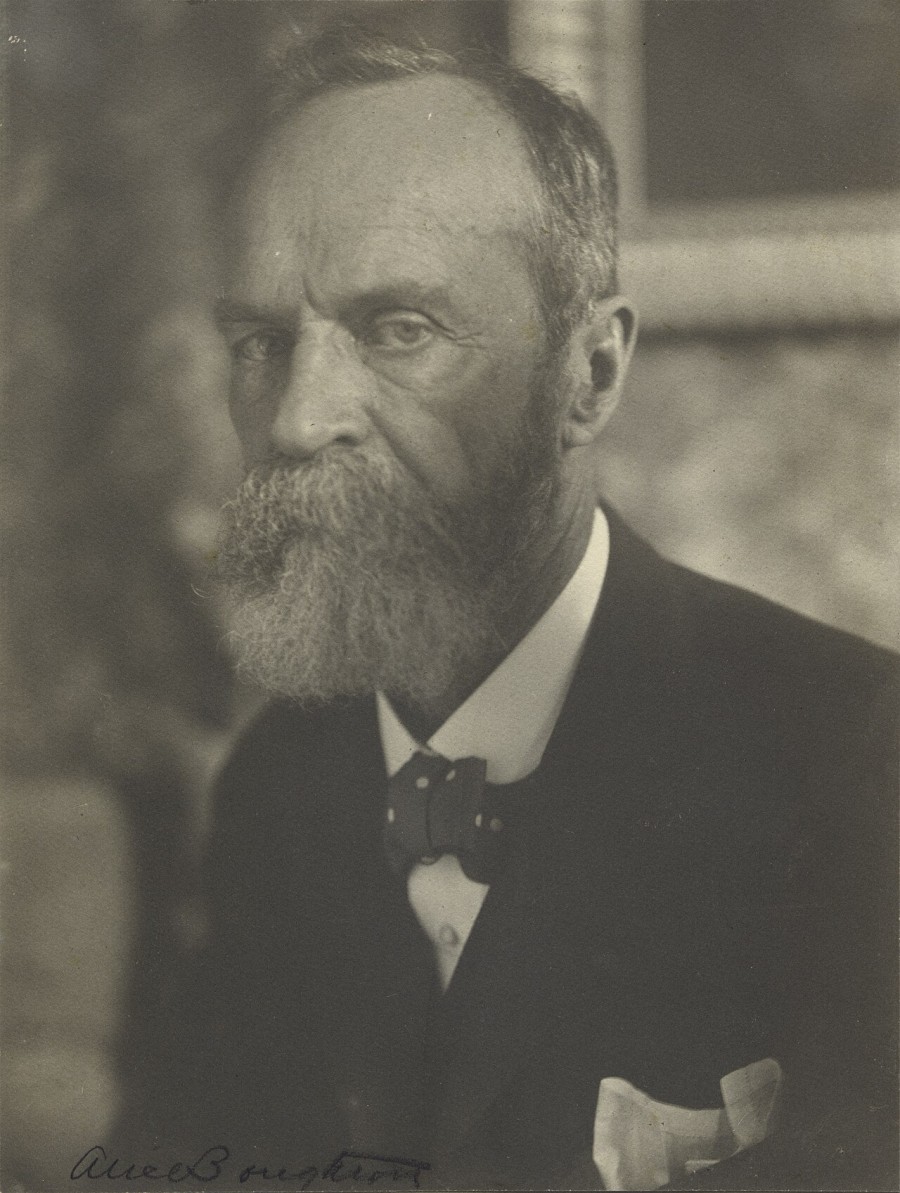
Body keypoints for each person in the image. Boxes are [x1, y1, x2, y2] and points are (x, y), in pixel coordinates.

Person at [109, 28, 897, 1192]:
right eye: (261, 343)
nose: (296, 420)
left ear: (591, 374)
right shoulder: (280, 786)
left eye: (400, 330)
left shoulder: (859, 758)